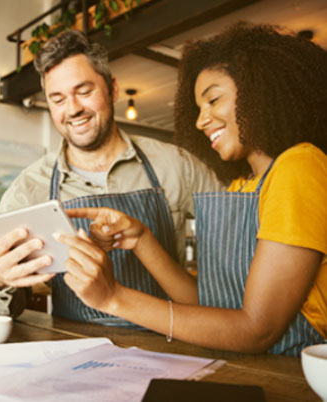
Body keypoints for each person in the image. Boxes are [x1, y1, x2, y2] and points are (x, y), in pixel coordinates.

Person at [55, 22, 327, 355]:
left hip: (291, 377)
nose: (201, 120)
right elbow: (211, 306)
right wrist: (141, 239)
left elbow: (257, 329)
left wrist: (114, 298)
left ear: (260, 91)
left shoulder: (299, 167)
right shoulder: (244, 186)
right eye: (198, 108)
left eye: (213, 100)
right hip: (244, 369)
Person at [0, 30, 221, 324]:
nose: (73, 109)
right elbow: (4, 313)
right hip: (77, 353)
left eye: (84, 91)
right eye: (57, 99)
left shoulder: (176, 165)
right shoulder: (28, 189)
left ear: (113, 89)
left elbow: (236, 252)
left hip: (175, 346)